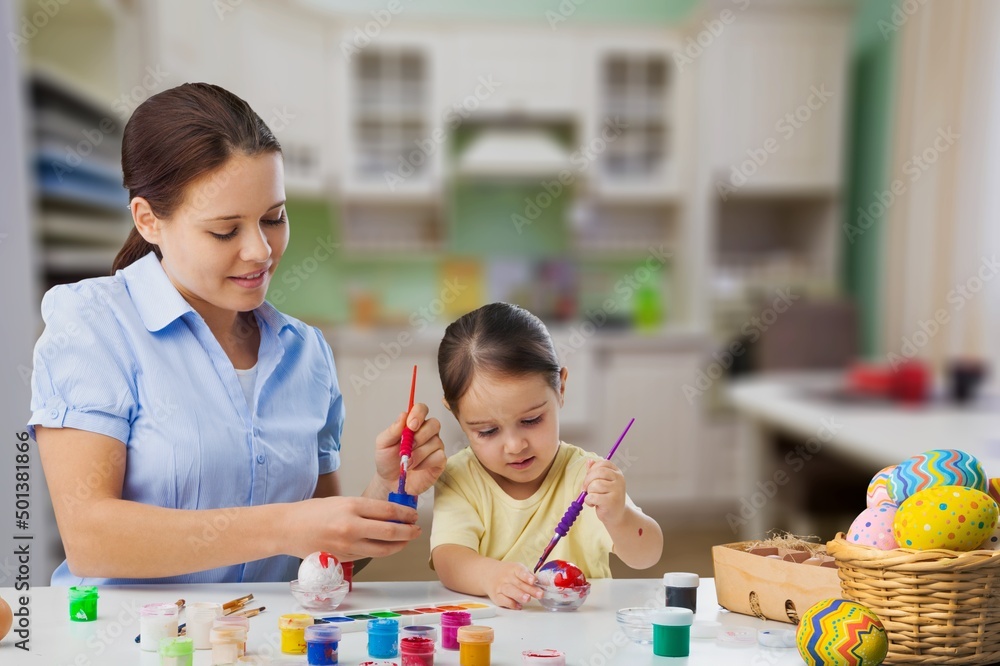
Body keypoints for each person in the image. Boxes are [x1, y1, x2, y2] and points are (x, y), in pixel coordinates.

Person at [27, 83, 445, 585]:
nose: (260, 251)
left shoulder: (305, 353)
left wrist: (389, 485)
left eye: (274, 218)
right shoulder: (95, 327)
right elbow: (91, 541)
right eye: (225, 231)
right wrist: (284, 525)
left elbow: (321, 563)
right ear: (148, 220)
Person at [430, 302, 663, 609]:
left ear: (561, 389)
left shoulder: (586, 475)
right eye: (487, 431)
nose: (514, 446)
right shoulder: (460, 477)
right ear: (456, 414)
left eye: (531, 421)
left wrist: (619, 516)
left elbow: (647, 555)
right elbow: (449, 559)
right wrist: (490, 576)